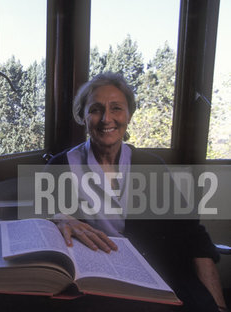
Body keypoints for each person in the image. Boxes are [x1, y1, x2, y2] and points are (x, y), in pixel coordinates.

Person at [48, 72, 227, 312]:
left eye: (117, 108)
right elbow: (35, 225)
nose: (106, 119)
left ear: (129, 115)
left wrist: (218, 306)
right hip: (95, 282)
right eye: (96, 109)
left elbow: (193, 237)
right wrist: (57, 218)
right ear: (82, 116)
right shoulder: (60, 166)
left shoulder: (150, 166)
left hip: (160, 275)